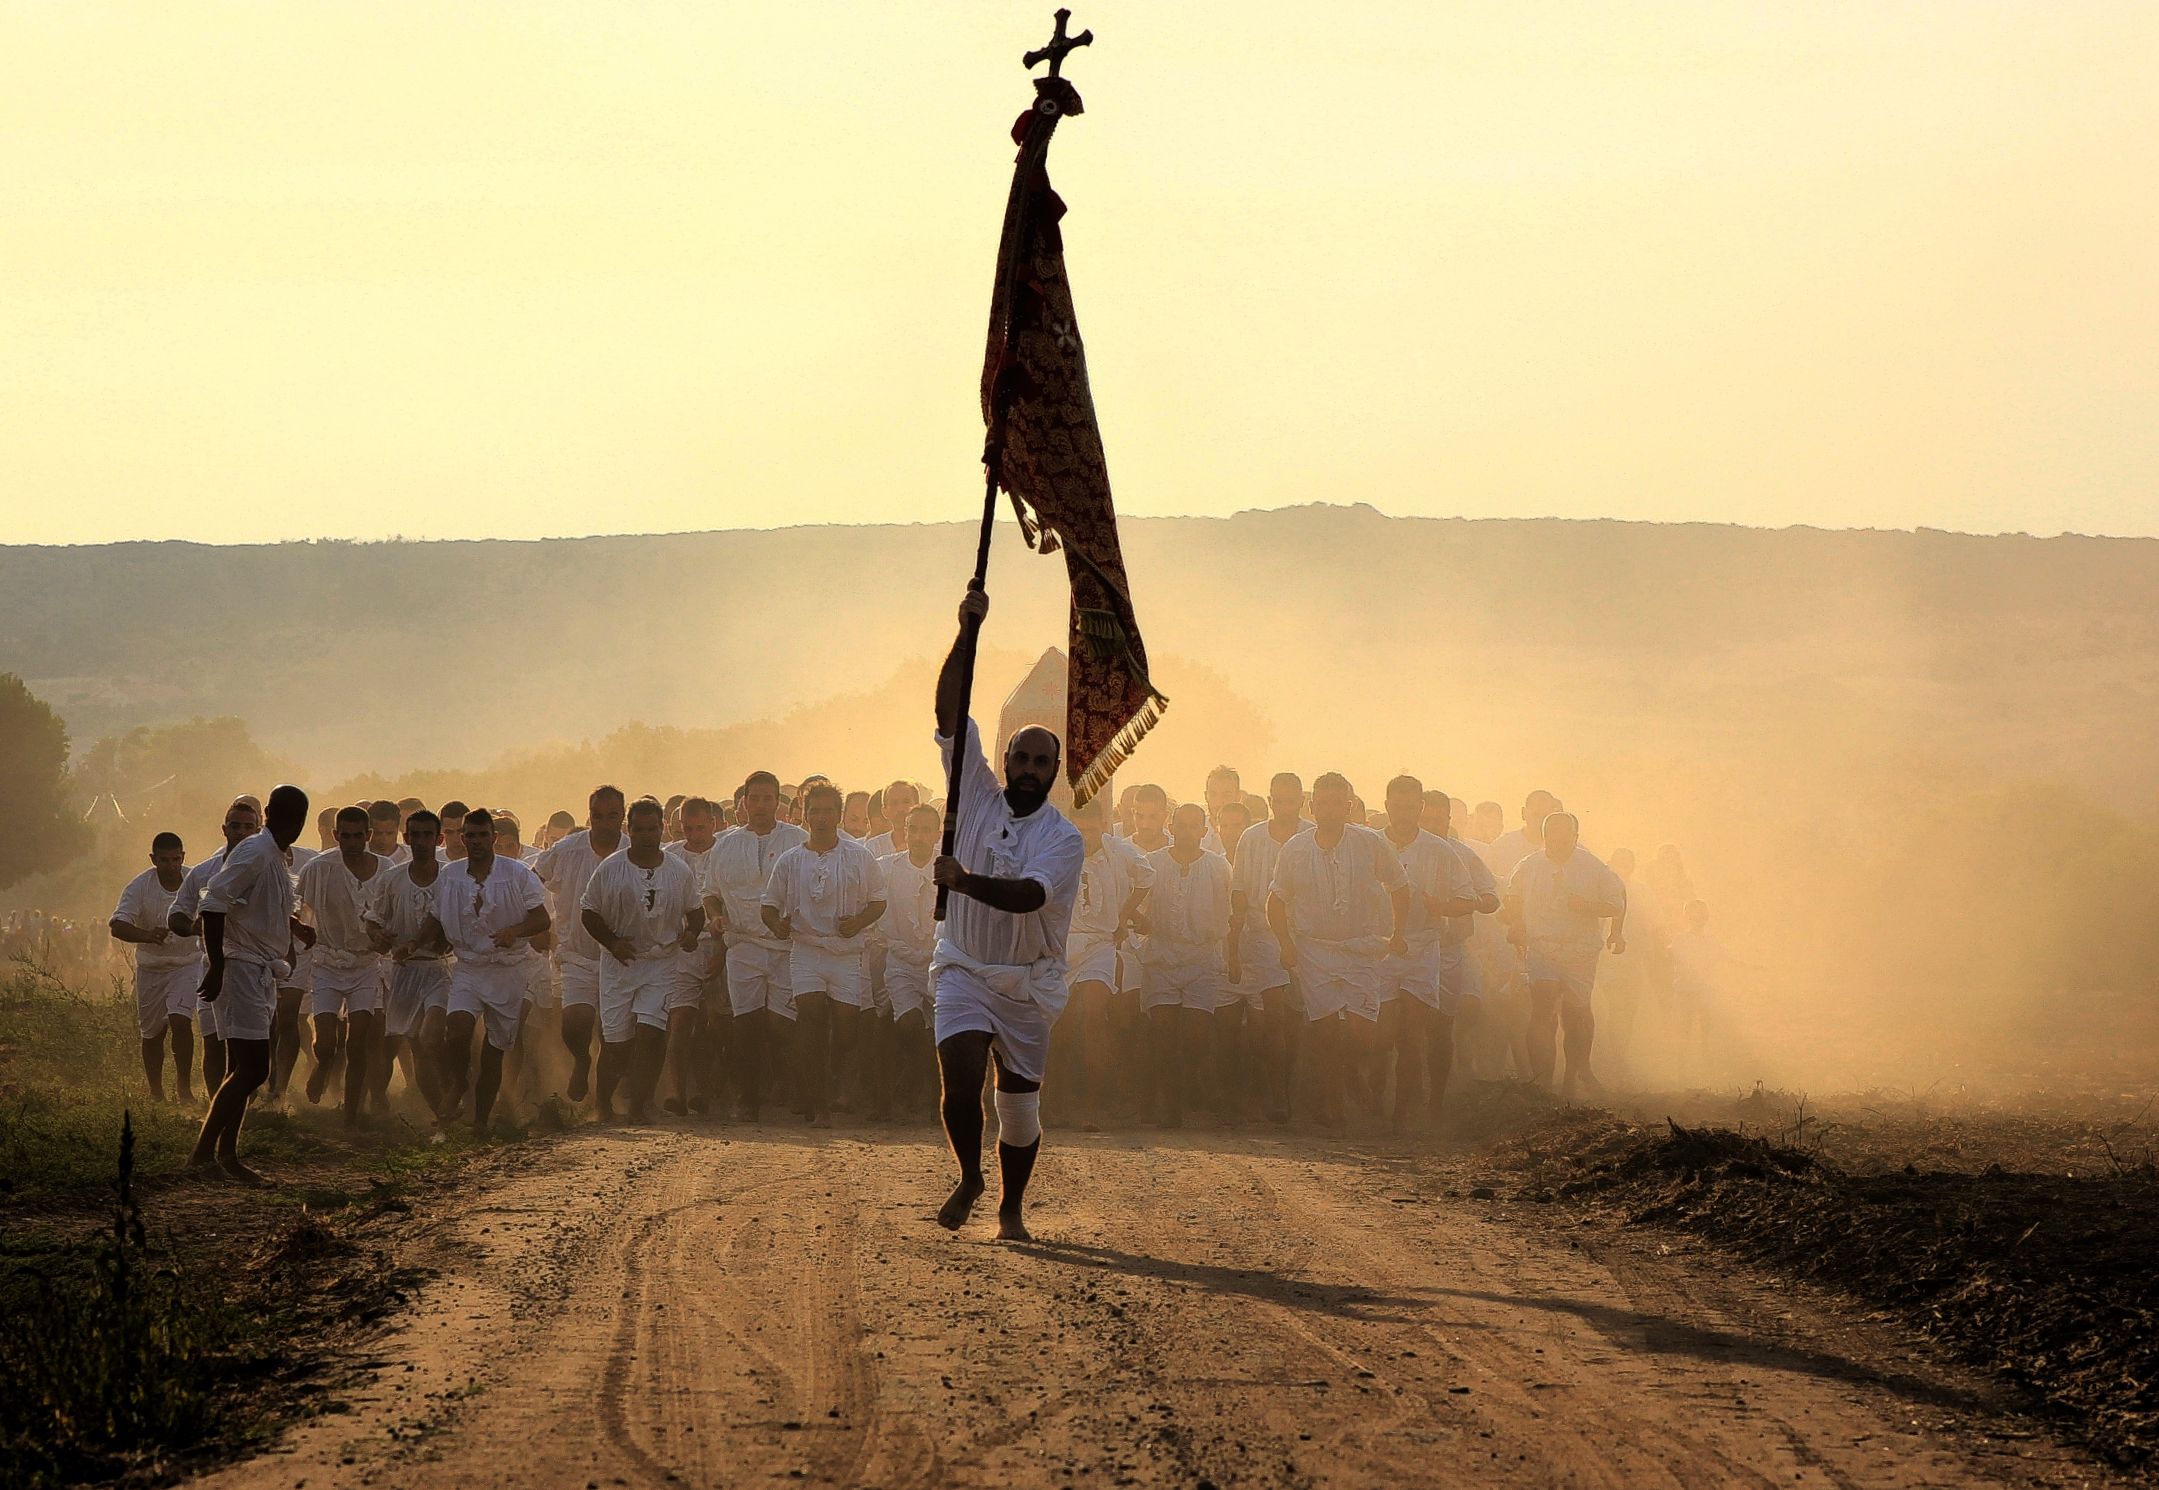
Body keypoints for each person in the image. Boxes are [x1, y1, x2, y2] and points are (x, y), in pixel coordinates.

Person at [929, 589, 1084, 1240]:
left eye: (1038, 762)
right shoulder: (975, 790)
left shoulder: (1061, 838)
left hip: (1027, 980)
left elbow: (1028, 896)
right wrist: (967, 630)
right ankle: (969, 1174)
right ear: (1004, 759)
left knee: (1018, 1108)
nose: (1025, 769)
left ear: (1054, 771)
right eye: (1017, 757)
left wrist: (963, 882)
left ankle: (1012, 1208)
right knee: (961, 1082)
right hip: (963, 965)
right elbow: (947, 708)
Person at [1265, 772, 1410, 1128]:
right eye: (1323, 803)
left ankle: (1348, 1075)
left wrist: (1398, 933)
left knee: (1365, 1035)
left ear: (1348, 807)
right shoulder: (1295, 849)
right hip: (1315, 950)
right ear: (1312, 807)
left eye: (1337, 804)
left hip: (1363, 949)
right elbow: (1275, 901)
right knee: (1325, 1032)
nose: (1329, 810)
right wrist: (1286, 944)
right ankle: (1332, 1108)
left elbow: (1400, 886)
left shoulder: (1370, 843)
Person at [190, 784, 313, 1182]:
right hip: (241, 966)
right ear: (273, 817)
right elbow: (213, 903)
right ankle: (203, 1155)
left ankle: (226, 1156)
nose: (291, 826)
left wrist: (294, 929)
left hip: (259, 967)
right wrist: (218, 964)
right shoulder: (256, 852)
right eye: (286, 817)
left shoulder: (274, 856)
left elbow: (254, 908)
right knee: (255, 1069)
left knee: (240, 1067)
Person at [763, 784, 886, 1126]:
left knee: (846, 1030)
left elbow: (879, 900)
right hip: (805, 951)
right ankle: (817, 1102)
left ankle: (831, 1085)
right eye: (814, 810)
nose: (821, 817)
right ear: (804, 814)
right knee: (811, 1017)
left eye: (828, 810)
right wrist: (778, 926)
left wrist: (858, 922)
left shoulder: (859, 857)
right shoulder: (790, 861)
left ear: (839, 814)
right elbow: (769, 906)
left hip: (846, 953)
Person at [423, 808, 551, 1134]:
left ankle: (481, 1120)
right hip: (468, 966)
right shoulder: (449, 875)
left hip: (508, 970)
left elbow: (541, 919)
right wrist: (416, 943)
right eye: (471, 835)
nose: (477, 841)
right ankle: (458, 1084)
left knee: (494, 1052)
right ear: (462, 838)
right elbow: (435, 918)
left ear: (493, 838)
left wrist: (515, 931)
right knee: (457, 1027)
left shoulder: (518, 873)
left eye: (483, 835)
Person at [581, 797, 704, 1123]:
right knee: (618, 1044)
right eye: (639, 829)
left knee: (651, 1033)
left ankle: (640, 1104)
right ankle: (603, 1103)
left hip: (660, 962)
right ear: (629, 829)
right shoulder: (610, 868)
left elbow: (696, 911)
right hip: (620, 964)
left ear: (662, 828)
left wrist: (691, 934)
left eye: (653, 828)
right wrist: (612, 942)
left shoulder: (678, 870)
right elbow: (588, 912)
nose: (646, 835)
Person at [1376, 777, 1488, 1131]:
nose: (1405, 813)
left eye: (1412, 807)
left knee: (1413, 1035)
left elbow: (1471, 899)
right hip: (1376, 950)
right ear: (1388, 804)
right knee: (1381, 1035)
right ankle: (1374, 1099)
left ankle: (1401, 1115)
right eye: (1399, 806)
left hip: (1424, 948)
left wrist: (1443, 907)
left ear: (1421, 809)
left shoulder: (1441, 850)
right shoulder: (1369, 844)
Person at [700, 771, 807, 1120]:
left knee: (782, 1025)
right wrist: (716, 917)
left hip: (786, 946)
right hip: (742, 945)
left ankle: (791, 1089)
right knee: (744, 1024)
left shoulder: (799, 840)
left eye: (768, 798)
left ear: (779, 802)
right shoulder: (725, 844)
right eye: (754, 798)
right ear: (743, 801)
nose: (760, 805)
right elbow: (710, 894)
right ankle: (748, 1099)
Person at [1502, 811, 1626, 1100]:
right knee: (1543, 1006)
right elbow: (1512, 896)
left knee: (1577, 1014)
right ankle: (1542, 1083)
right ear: (1543, 837)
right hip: (1542, 947)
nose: (1557, 841)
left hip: (1580, 952)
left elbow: (1616, 902)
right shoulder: (1529, 865)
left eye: (1564, 835)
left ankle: (1575, 1075)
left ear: (1576, 837)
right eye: (1551, 836)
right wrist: (1517, 923)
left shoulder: (1593, 866)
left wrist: (1589, 908)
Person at [294, 804, 391, 1126]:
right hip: (326, 963)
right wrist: (302, 934)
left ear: (369, 835)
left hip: (366, 964)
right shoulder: (318, 869)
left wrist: (387, 939)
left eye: (358, 836)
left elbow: (393, 914)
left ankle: (351, 1111)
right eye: (344, 836)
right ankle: (323, 1065)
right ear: (335, 835)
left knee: (358, 1039)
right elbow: (297, 911)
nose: (351, 842)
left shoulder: (387, 870)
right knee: (325, 1041)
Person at [1138, 802, 1233, 1128]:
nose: (1188, 831)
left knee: (1196, 1035)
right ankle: (1166, 1101)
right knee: (1162, 1032)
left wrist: (1227, 954)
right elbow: (1135, 905)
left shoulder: (1219, 867)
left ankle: (1190, 1085)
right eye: (1182, 824)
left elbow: (1229, 913)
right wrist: (1140, 924)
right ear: (1171, 826)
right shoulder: (1152, 864)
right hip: (1162, 957)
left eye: (1195, 826)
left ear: (1204, 832)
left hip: (1202, 958)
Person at [1060, 792, 1151, 1125]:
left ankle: (1100, 1096)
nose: (1086, 835)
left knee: (1094, 1015)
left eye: (1092, 828)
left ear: (1102, 824)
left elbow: (1147, 878)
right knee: (1061, 1025)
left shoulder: (1121, 852)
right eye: (1079, 828)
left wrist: (1124, 916)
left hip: (1100, 945)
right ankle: (1059, 1097)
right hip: (1061, 947)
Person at [534, 786, 628, 1105]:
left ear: (623, 816)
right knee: (576, 1021)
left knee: (613, 1034)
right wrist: (536, 923)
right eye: (597, 816)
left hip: (622, 958)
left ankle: (604, 1101)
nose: (604, 822)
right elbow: (534, 878)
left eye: (612, 815)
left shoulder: (634, 850)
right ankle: (580, 1059)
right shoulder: (568, 849)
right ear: (589, 816)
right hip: (576, 954)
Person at [167, 796, 264, 1097]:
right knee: (212, 1038)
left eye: (249, 827)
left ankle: (238, 1103)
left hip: (252, 968)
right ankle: (215, 1103)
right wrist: (192, 926)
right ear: (224, 830)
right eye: (235, 826)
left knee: (240, 1044)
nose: (242, 832)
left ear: (259, 829)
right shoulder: (204, 872)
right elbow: (177, 913)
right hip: (211, 965)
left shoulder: (268, 872)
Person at [1232, 773, 1307, 1123]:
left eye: (1291, 800)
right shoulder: (1251, 837)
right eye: (1278, 799)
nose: (1284, 806)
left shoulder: (1313, 836)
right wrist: (1234, 941)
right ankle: (1279, 1095)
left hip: (1309, 939)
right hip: (1263, 936)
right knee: (1273, 1016)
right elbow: (1240, 889)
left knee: (1299, 1022)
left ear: (1301, 801)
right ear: (1270, 799)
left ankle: (1295, 1086)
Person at [367, 808, 450, 1117]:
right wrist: (379, 937)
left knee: (432, 1037)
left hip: (442, 967)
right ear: (407, 838)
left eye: (428, 835)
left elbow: (453, 917)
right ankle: (440, 1112)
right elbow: (374, 920)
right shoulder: (391, 878)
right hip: (403, 970)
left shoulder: (452, 877)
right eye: (415, 835)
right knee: (416, 1045)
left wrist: (445, 935)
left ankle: (454, 1089)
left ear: (438, 839)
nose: (421, 841)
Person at [110, 831, 200, 1103]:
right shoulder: (140, 886)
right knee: (152, 1034)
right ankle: (156, 1092)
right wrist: (147, 935)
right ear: (153, 859)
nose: (171, 866)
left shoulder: (196, 881)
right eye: (164, 860)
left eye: (176, 859)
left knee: (180, 1021)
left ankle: (184, 1089)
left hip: (187, 964)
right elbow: (117, 926)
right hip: (151, 967)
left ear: (183, 857)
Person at [876, 803, 943, 1118]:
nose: (918, 836)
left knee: (946, 1030)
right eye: (913, 829)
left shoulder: (949, 871)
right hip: (901, 962)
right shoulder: (886, 868)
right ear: (905, 831)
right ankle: (916, 1084)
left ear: (937, 833)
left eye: (926, 829)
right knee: (908, 1024)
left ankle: (932, 1092)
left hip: (940, 962)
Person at [662, 796, 726, 1116]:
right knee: (681, 1020)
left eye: (701, 827)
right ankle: (676, 1092)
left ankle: (708, 1089)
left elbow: (738, 904)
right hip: (682, 948)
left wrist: (725, 952)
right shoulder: (668, 858)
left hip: (721, 945)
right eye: (687, 828)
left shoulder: (728, 853)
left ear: (713, 824)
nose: (695, 835)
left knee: (717, 1022)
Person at [1487, 790, 1561, 877]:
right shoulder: (1501, 847)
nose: (1541, 821)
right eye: (1535, 815)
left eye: (1545, 816)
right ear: (1524, 813)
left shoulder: (1567, 849)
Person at [366, 798, 407, 863]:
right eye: (377, 833)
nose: (383, 839)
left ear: (398, 829)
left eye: (389, 833)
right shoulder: (356, 855)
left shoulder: (412, 857)